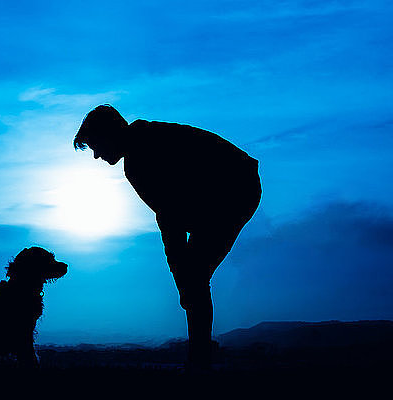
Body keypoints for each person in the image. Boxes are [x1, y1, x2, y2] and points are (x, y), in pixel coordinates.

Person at [73, 105, 261, 371]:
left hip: (235, 188)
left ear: (110, 133)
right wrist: (183, 278)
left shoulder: (141, 158)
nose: (96, 156)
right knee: (193, 279)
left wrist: (182, 279)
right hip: (218, 192)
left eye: (96, 145)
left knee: (194, 278)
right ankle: (201, 354)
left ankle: (200, 360)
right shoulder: (142, 143)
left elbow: (169, 221)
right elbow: (171, 217)